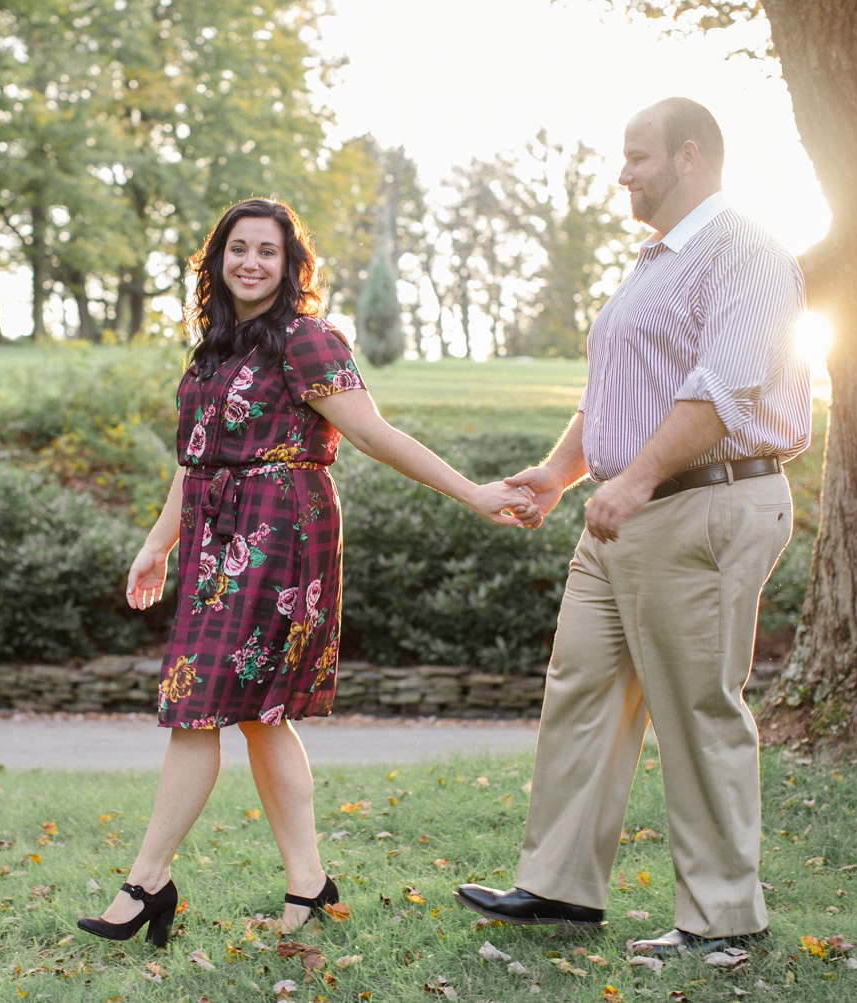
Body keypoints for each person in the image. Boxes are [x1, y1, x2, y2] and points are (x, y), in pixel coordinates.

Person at [78, 197, 533, 947]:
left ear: (291, 266)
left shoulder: (307, 340)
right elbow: (195, 464)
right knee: (258, 712)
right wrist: (156, 544)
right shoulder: (212, 350)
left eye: (268, 251)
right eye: (238, 248)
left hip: (280, 531)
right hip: (213, 534)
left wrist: (473, 492)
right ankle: (309, 882)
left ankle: (146, 883)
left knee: (198, 701)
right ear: (216, 260)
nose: (252, 261)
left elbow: (373, 432)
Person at [454, 97, 811, 957]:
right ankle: (559, 887)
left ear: (689, 157)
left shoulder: (747, 251)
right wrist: (560, 471)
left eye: (635, 157)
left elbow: (723, 391)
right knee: (581, 692)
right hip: (628, 511)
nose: (622, 174)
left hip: (703, 502)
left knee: (696, 708)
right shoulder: (654, 262)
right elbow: (616, 391)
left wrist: (641, 476)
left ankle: (726, 919)